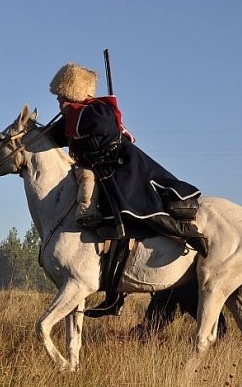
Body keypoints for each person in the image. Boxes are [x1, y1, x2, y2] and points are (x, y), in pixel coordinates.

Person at [48, 62, 208, 317]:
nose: (57, 101)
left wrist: (74, 113)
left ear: (73, 93)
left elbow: (101, 129)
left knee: (137, 211)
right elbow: (51, 137)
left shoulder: (97, 110)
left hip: (121, 170)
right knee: (112, 232)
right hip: (101, 174)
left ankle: (185, 232)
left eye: (61, 96)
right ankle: (114, 295)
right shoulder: (73, 117)